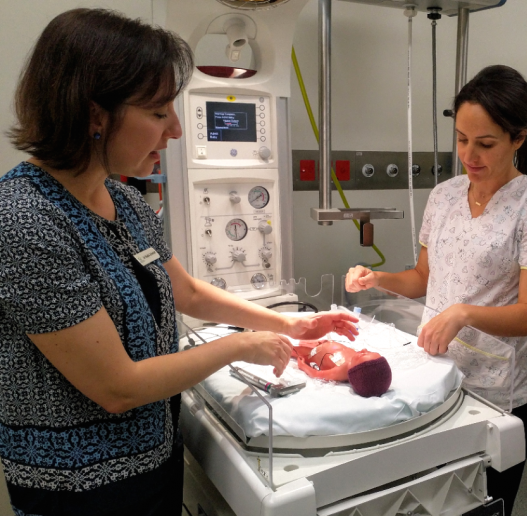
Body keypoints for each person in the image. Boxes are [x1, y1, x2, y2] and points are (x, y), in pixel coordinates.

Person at [0, 9, 358, 516]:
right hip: (80, 491)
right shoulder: (24, 221)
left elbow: (185, 292)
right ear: (93, 114)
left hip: (153, 461)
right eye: (157, 112)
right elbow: (116, 386)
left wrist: (291, 324)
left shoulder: (121, 202)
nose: (175, 131)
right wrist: (237, 346)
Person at [345, 65, 527, 515]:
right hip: (435, 380)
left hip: (496, 394)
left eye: (485, 143)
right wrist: (379, 280)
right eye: (462, 139)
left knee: (481, 506)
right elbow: (423, 279)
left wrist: (463, 313)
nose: (470, 154)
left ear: (518, 138)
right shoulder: (445, 196)